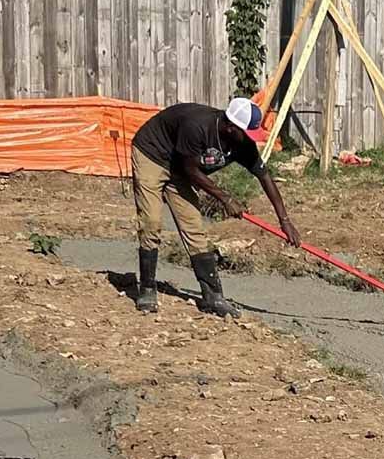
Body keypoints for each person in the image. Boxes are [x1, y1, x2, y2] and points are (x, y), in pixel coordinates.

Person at [129, 97, 301, 317]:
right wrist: (226, 199)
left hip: (180, 166)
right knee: (151, 221)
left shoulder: (242, 144)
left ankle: (213, 296)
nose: (251, 140)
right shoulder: (197, 127)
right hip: (152, 154)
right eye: (247, 133)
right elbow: (191, 170)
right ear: (230, 127)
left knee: (193, 227)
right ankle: (147, 288)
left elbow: (265, 178)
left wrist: (285, 221)